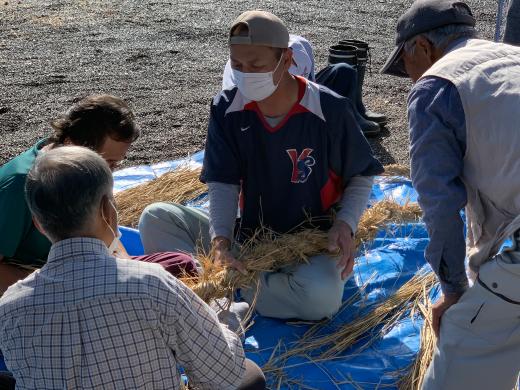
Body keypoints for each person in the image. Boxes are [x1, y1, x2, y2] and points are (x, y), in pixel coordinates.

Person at [139, 10, 384, 321]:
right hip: (248, 238)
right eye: (238, 66)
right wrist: (221, 241)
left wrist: (345, 224)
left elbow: (361, 174)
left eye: (256, 65)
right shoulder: (227, 108)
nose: (246, 74)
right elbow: (223, 183)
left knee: (320, 299)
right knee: (156, 218)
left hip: (309, 245)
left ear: (287, 58)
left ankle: (223, 292)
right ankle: (242, 286)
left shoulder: (329, 108)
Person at [0, 146, 266, 390]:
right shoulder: (151, 283)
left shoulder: (10, 307)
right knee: (249, 375)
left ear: (37, 223)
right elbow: (224, 374)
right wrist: (221, 322)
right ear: (109, 210)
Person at [382, 0, 520, 388]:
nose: (410, 78)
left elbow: (440, 203)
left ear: (423, 48)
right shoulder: (511, 58)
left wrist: (455, 290)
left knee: (464, 348)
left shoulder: (437, 86)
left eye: (406, 65)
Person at [0, 95, 197, 295]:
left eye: (115, 165)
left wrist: (133, 272)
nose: (109, 172)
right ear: (72, 144)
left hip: (92, 268)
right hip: (49, 283)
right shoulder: (21, 183)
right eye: (107, 162)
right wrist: (60, 286)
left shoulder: (86, 172)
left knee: (182, 266)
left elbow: (109, 237)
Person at [222, 34, 384, 136]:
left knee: (343, 70)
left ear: (287, 56)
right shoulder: (241, 67)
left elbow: (311, 88)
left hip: (294, 103)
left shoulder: (301, 47)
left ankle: (354, 111)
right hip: (259, 110)